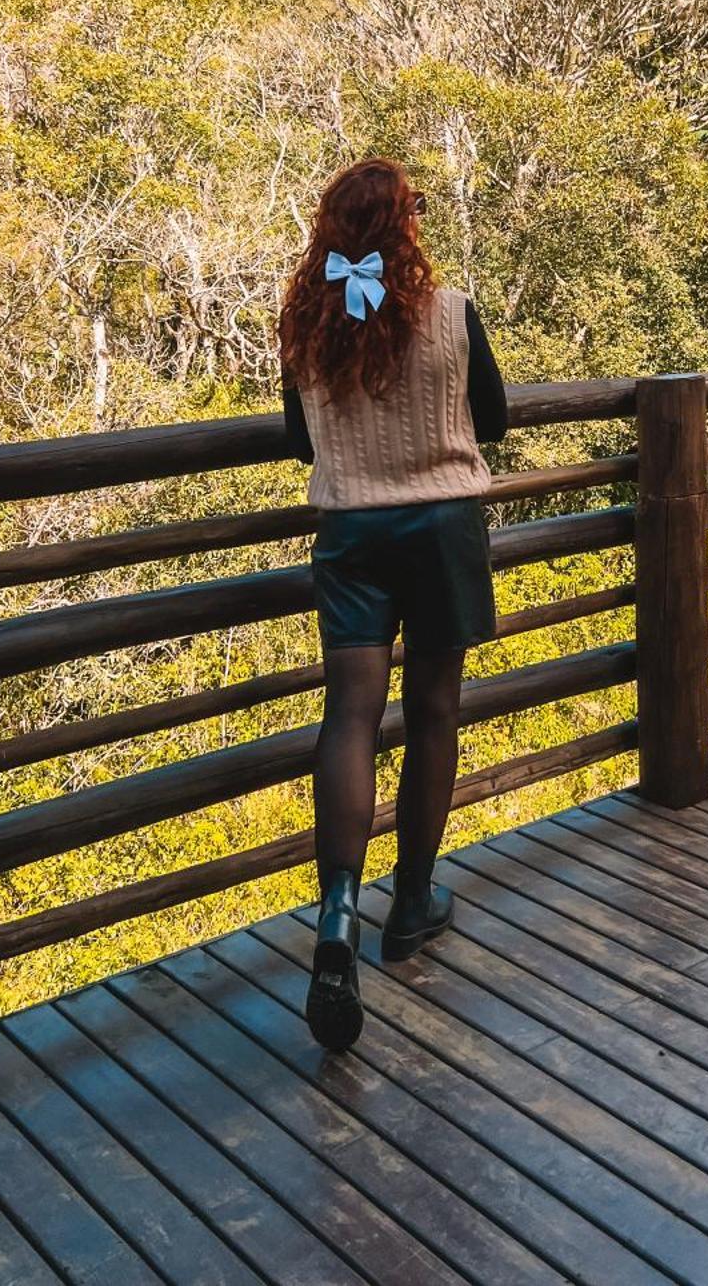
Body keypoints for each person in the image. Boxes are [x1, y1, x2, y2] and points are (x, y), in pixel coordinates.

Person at [278, 158, 508, 1052]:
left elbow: (301, 441)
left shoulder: (307, 323)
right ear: (404, 226)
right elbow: (492, 420)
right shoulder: (449, 313)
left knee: (350, 718)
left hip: (350, 538)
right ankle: (411, 905)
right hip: (441, 529)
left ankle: (336, 916)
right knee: (436, 713)